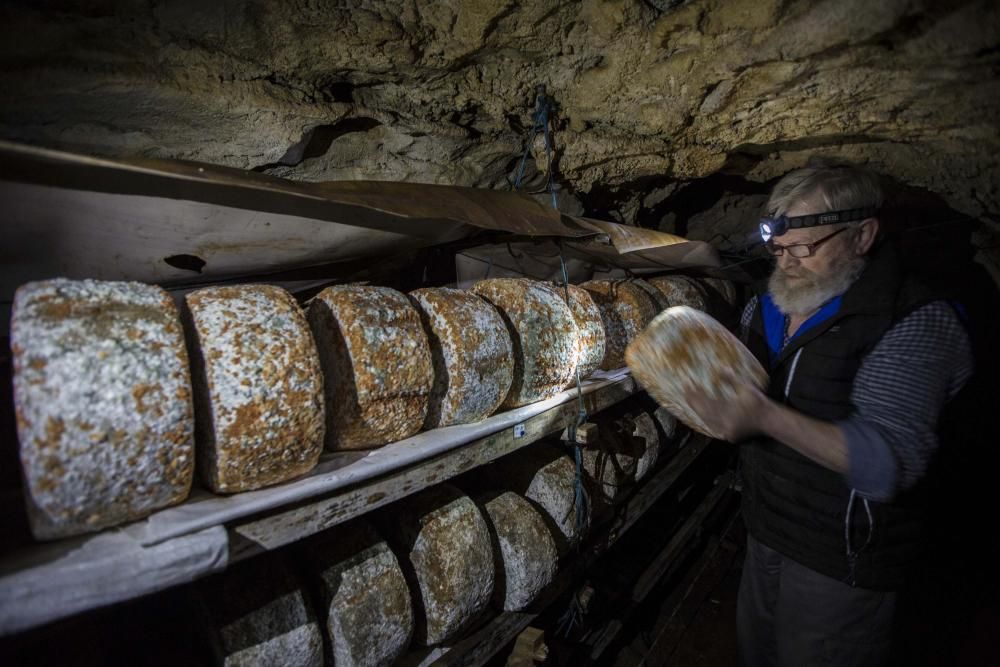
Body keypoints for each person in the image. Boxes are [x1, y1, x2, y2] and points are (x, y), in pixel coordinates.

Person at [686, 161, 974, 666]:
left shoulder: (911, 321)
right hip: (765, 529)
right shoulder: (768, 305)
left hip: (843, 560)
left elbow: (890, 463)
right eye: (777, 246)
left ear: (862, 236)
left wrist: (764, 416)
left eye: (804, 246)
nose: (785, 261)